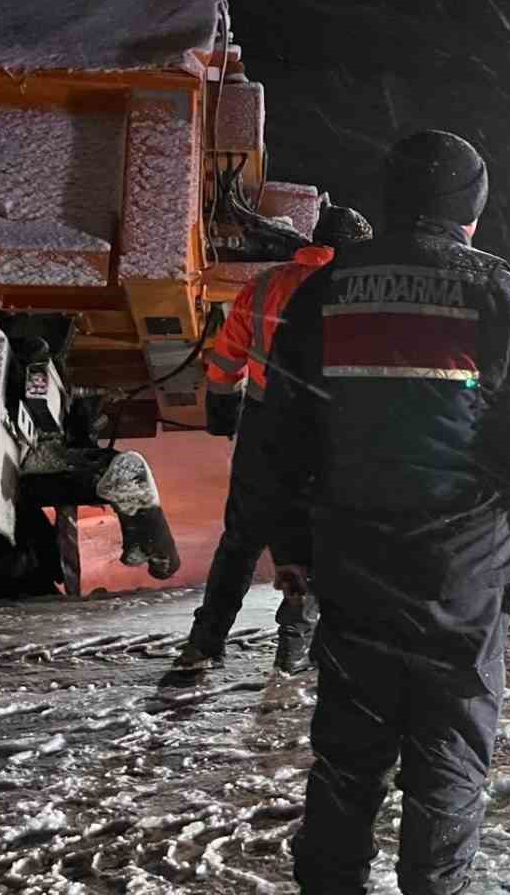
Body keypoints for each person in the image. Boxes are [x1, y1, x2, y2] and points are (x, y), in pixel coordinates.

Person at [262, 129, 510, 895]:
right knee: (447, 763)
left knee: (347, 761)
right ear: (471, 208)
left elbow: (284, 431)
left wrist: (293, 547)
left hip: (353, 565)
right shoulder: (503, 298)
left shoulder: (326, 293)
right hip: (461, 578)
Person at [174, 203, 373, 674]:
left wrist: (222, 410)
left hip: (263, 421)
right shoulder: (355, 292)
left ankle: (206, 641)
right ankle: (293, 645)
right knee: (315, 536)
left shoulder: (265, 285)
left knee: (241, 537)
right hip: (327, 429)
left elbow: (226, 358)